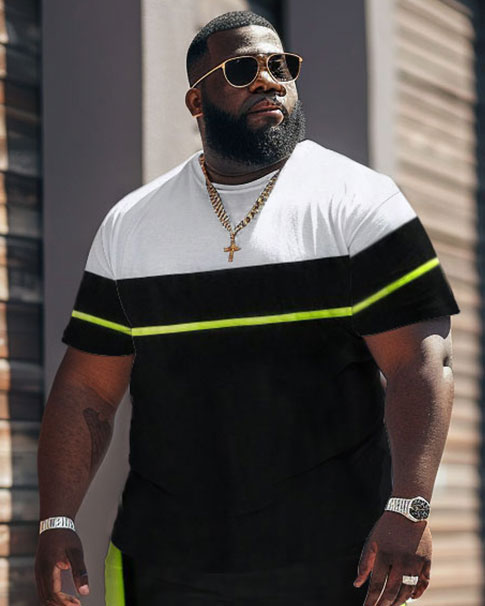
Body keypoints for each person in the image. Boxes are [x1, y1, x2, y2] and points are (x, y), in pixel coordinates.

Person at [35, 10, 460, 606]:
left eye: (280, 66)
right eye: (241, 69)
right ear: (196, 101)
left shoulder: (361, 201)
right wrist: (57, 519)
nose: (268, 80)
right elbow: (87, 390)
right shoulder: (132, 224)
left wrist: (410, 506)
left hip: (333, 562)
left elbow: (422, 363)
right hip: (165, 566)